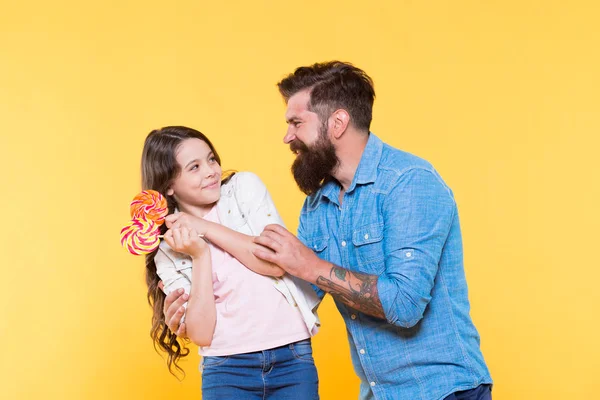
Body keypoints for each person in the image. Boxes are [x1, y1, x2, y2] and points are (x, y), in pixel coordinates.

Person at [250, 61, 493, 400]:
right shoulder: (318, 204)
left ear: (337, 123)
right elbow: (297, 295)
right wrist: (201, 289)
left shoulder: (409, 183)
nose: (288, 136)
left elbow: (406, 305)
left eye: (296, 123)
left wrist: (309, 265)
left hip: (443, 392)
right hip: (378, 394)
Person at [140, 126, 320, 400]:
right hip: (227, 368)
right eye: (194, 167)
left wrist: (204, 227)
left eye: (211, 159)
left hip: (291, 356)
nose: (211, 170)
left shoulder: (243, 189)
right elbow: (201, 332)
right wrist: (199, 254)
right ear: (169, 185)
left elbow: (275, 262)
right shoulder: (169, 249)